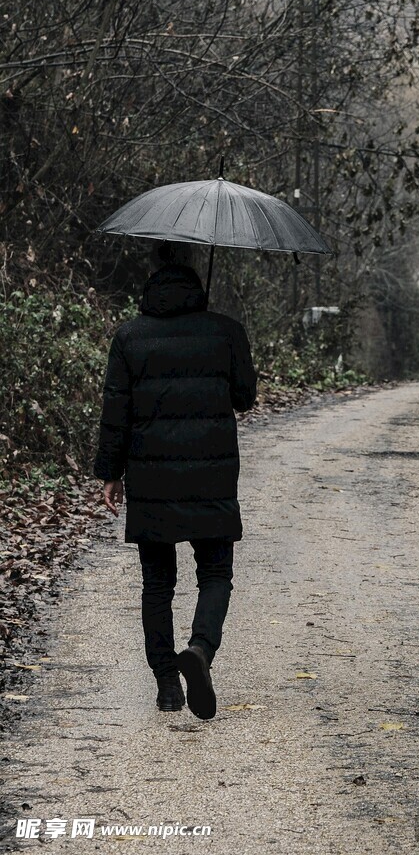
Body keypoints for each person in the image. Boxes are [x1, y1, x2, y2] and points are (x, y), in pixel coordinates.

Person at [92, 239, 257, 719]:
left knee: (157, 583)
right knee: (216, 574)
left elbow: (115, 412)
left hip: (151, 477)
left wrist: (110, 473)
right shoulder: (226, 331)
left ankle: (166, 683)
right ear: (196, 280)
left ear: (152, 281)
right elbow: (245, 397)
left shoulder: (129, 337)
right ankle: (200, 650)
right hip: (212, 473)